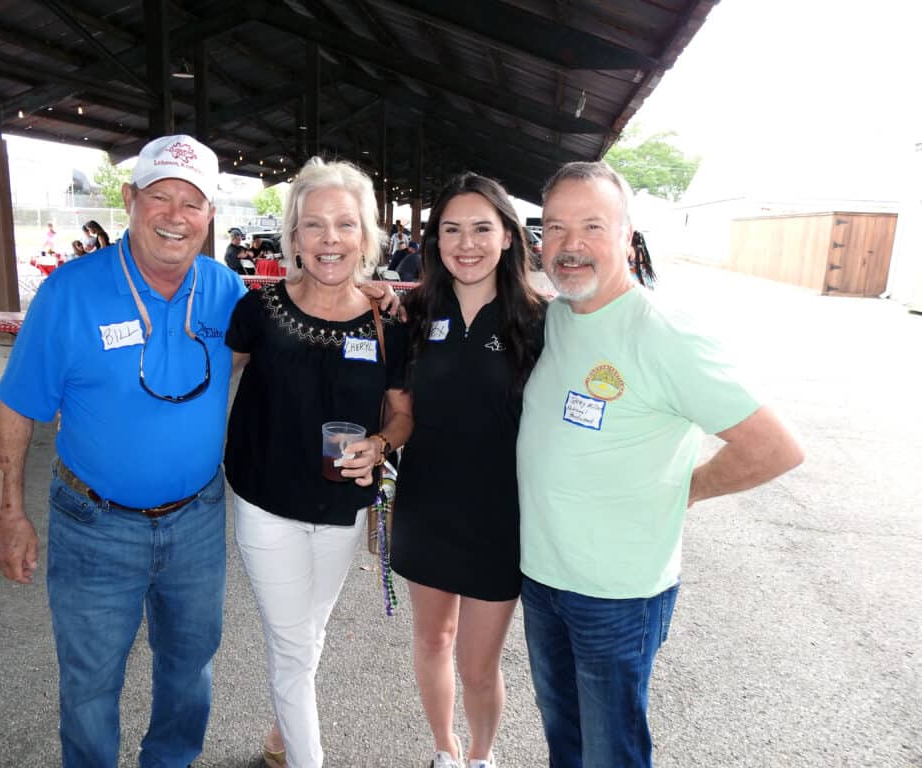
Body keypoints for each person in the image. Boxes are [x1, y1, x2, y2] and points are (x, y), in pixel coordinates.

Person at [516, 161, 805, 768]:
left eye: (593, 226)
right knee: (564, 741)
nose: (570, 245)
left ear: (626, 237)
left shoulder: (664, 332)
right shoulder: (561, 316)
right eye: (557, 228)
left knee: (611, 753)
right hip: (544, 579)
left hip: (617, 594)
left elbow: (774, 447)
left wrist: (686, 491)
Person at [0, 134, 246, 768]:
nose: (175, 216)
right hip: (94, 524)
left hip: (197, 519)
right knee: (89, 686)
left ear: (210, 215)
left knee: (190, 671)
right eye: (161, 196)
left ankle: (170, 761)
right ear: (131, 199)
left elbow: (295, 333)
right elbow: (18, 407)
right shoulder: (68, 293)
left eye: (193, 203)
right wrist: (9, 514)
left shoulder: (225, 290)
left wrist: (368, 299)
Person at [223, 157, 413, 768]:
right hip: (266, 501)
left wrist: (381, 445)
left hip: (343, 507)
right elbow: (204, 387)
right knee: (292, 642)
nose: (330, 239)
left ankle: (280, 735)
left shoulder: (389, 320)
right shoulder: (259, 310)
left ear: (366, 235)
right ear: (294, 237)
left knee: (309, 632)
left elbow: (403, 416)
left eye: (345, 224)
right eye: (313, 225)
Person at [391, 173, 545, 768]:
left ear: (508, 235)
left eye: (482, 227)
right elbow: (396, 403)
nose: (467, 242)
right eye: (451, 229)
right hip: (426, 503)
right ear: (435, 240)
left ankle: (482, 756)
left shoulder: (539, 320)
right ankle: (445, 750)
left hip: (498, 515)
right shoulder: (414, 310)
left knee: (479, 665)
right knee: (432, 640)